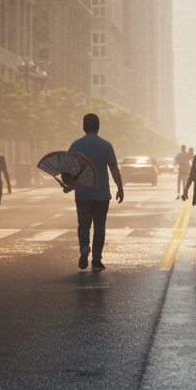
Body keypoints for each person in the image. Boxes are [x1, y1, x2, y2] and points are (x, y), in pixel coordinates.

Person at [69, 113, 123, 272]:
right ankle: (97, 259)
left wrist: (70, 184)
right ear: (98, 127)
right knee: (100, 227)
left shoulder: (75, 145)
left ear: (83, 127)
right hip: (101, 194)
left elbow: (69, 169)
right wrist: (120, 187)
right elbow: (113, 168)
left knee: (83, 225)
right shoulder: (106, 145)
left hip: (82, 194)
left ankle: (84, 247)